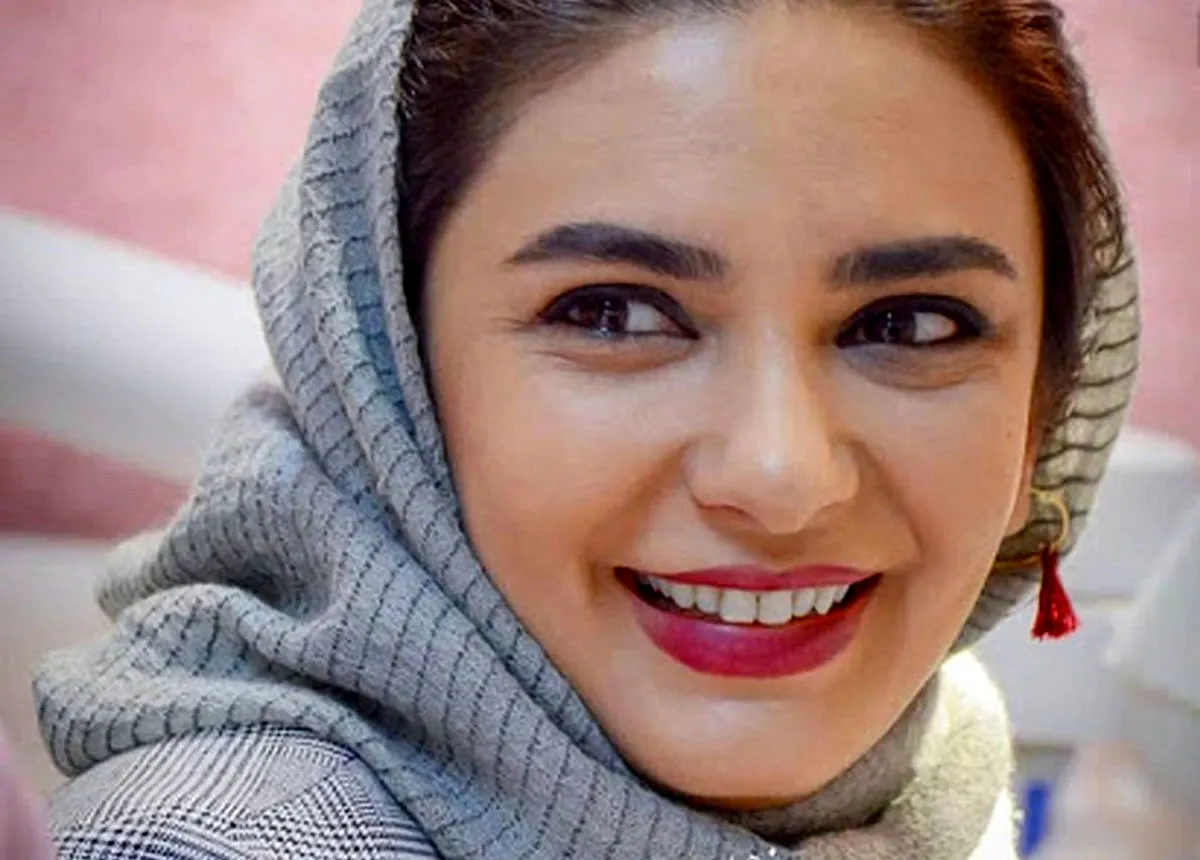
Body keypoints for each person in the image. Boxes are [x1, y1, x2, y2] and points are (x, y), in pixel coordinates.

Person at [35, 0, 1139, 857]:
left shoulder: (933, 763)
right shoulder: (229, 840)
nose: (780, 472)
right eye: (613, 313)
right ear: (388, 375)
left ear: (1045, 396)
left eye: (910, 323)